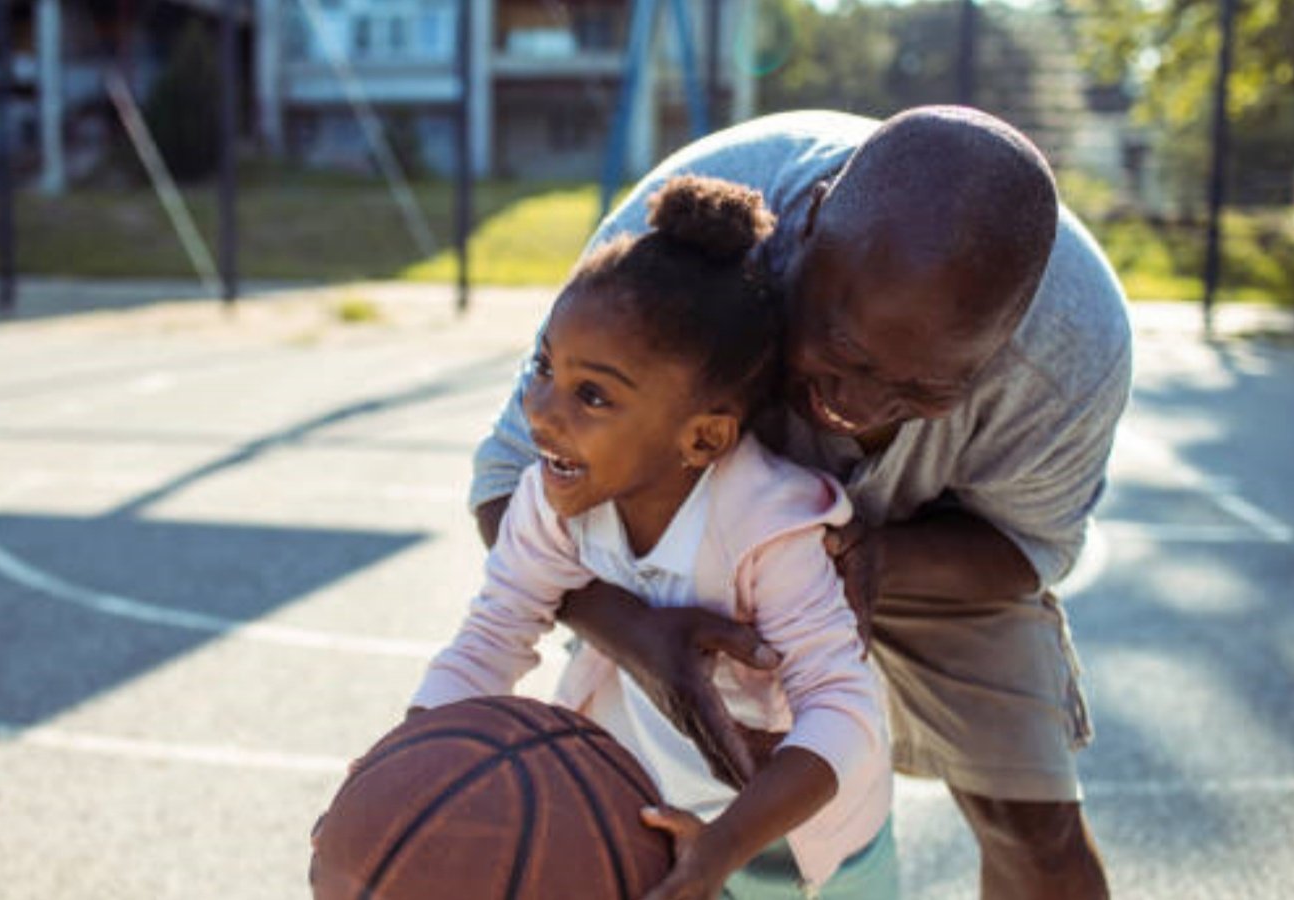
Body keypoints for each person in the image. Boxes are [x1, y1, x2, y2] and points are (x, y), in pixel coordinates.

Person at [469, 107, 1131, 900]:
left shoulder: (1070, 349)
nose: (860, 407)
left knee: (1035, 826)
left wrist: (872, 558)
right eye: (844, 351)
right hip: (693, 523)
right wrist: (632, 629)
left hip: (930, 546)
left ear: (1004, 343)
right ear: (806, 228)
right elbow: (510, 482)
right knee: (623, 822)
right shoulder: (682, 244)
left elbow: (1028, 550)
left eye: (924, 388)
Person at [413, 175, 899, 899]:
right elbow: (493, 636)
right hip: (651, 815)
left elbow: (843, 710)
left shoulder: (769, 525)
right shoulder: (554, 500)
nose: (541, 411)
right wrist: (402, 766)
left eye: (593, 395)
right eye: (545, 366)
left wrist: (723, 849)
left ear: (702, 438)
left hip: (799, 846)